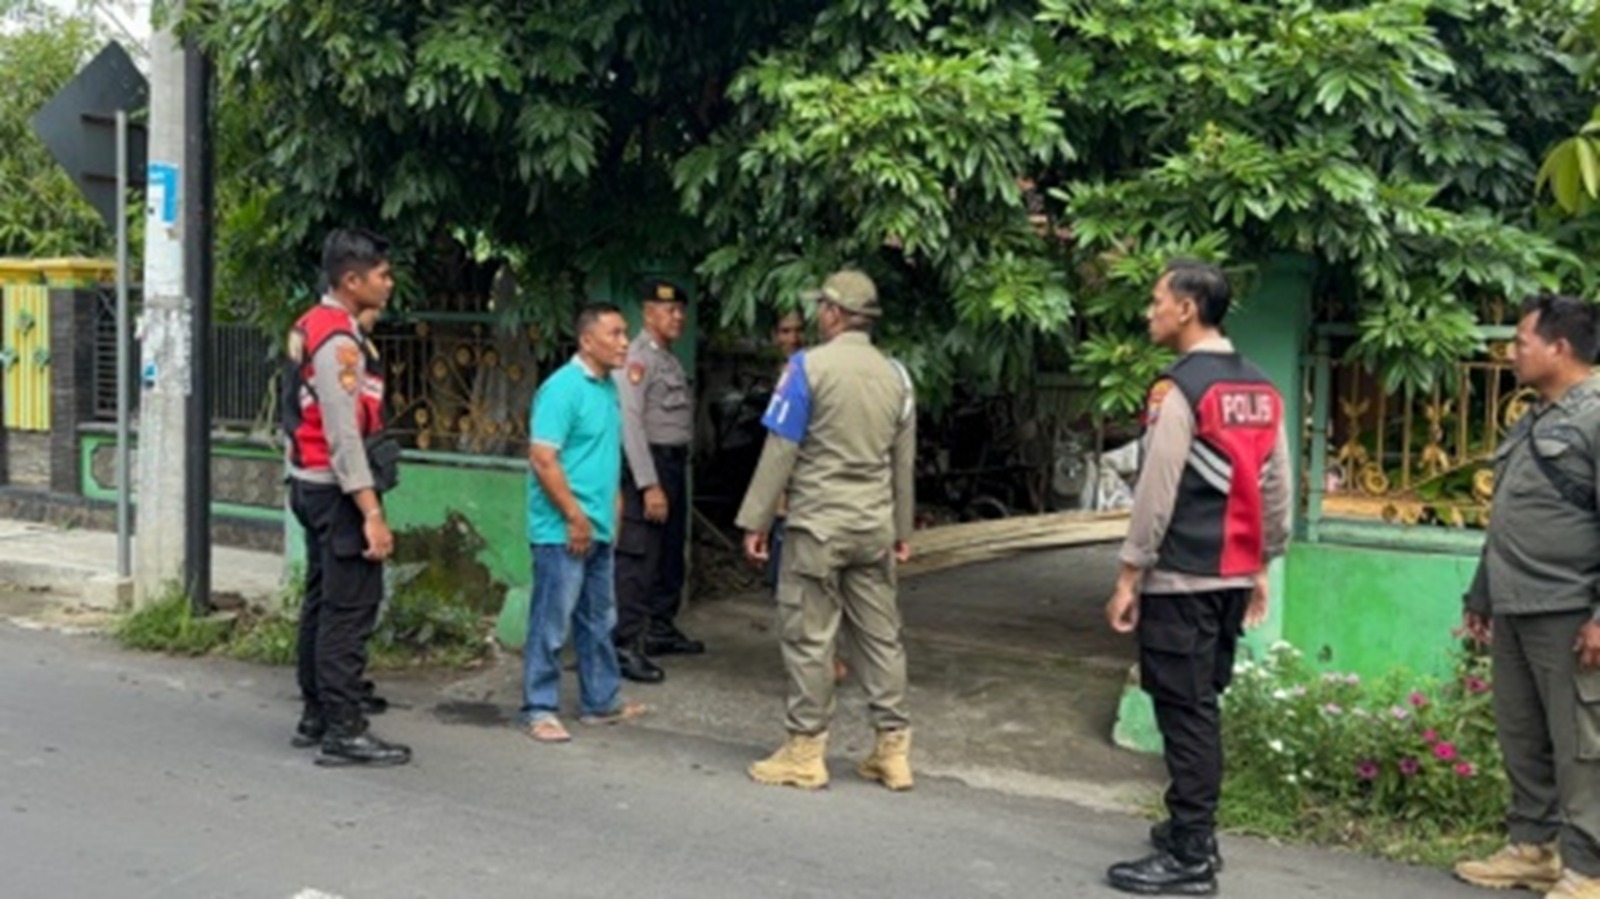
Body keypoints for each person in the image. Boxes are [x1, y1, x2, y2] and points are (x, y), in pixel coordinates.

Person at [1103, 259, 1290, 895]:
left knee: (1185, 713)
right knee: (1200, 703)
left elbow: (1157, 489)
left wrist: (1129, 574)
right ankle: (1188, 829)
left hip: (1183, 575)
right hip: (1231, 576)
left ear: (1186, 309)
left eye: (1156, 300)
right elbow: (1276, 486)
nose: (1149, 311)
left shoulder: (1180, 389)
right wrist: (1262, 566)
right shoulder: (1261, 387)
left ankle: (1191, 851)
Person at [735, 269, 917, 792]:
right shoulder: (898, 376)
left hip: (818, 526)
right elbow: (903, 462)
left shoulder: (806, 367)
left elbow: (781, 449)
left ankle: (805, 751)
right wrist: (902, 529)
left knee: (810, 637)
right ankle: (893, 751)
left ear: (835, 314)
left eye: (821, 307)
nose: (817, 315)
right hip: (873, 527)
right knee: (881, 637)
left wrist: (756, 520)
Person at [1454, 294, 1600, 899]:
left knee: (1581, 746)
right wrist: (1482, 594)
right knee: (1522, 733)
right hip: (1516, 603)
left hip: (1569, 609)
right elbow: (1509, 513)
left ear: (1559, 348)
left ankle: (1588, 869)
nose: (1511, 352)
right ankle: (1533, 848)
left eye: (1521, 342)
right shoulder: (1535, 417)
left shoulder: (1595, 417)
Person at [283, 227, 409, 767]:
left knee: (322, 602)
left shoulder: (314, 324)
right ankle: (343, 729)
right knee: (348, 610)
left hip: (308, 483)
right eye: (382, 275)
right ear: (352, 281)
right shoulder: (338, 343)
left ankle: (317, 713)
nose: (390, 283)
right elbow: (343, 434)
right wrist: (371, 512)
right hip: (338, 492)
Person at [520, 302, 648, 743]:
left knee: (599, 619)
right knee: (551, 621)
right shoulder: (562, 389)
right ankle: (539, 708)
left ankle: (601, 700)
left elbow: (603, 455)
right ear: (587, 341)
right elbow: (543, 458)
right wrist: (574, 516)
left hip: (597, 527)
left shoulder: (608, 388)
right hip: (562, 529)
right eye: (615, 334)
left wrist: (612, 512)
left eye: (624, 333)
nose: (624, 342)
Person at [613, 280, 703, 685]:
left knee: (668, 553)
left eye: (681, 310)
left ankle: (660, 629)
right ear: (648, 313)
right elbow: (630, 424)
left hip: (673, 465)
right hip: (649, 466)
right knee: (640, 557)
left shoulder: (668, 360)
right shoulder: (638, 359)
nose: (677, 317)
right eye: (669, 310)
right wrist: (648, 484)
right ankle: (625, 645)